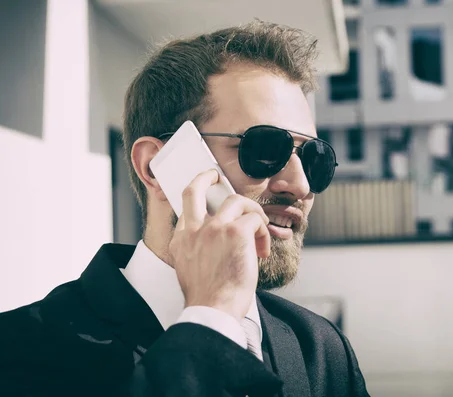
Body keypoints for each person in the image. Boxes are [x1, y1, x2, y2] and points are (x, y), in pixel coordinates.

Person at [0, 21, 370, 397]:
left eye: (315, 158)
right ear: (156, 167)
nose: (301, 185)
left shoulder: (322, 350)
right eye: (266, 149)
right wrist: (213, 318)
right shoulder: (18, 350)